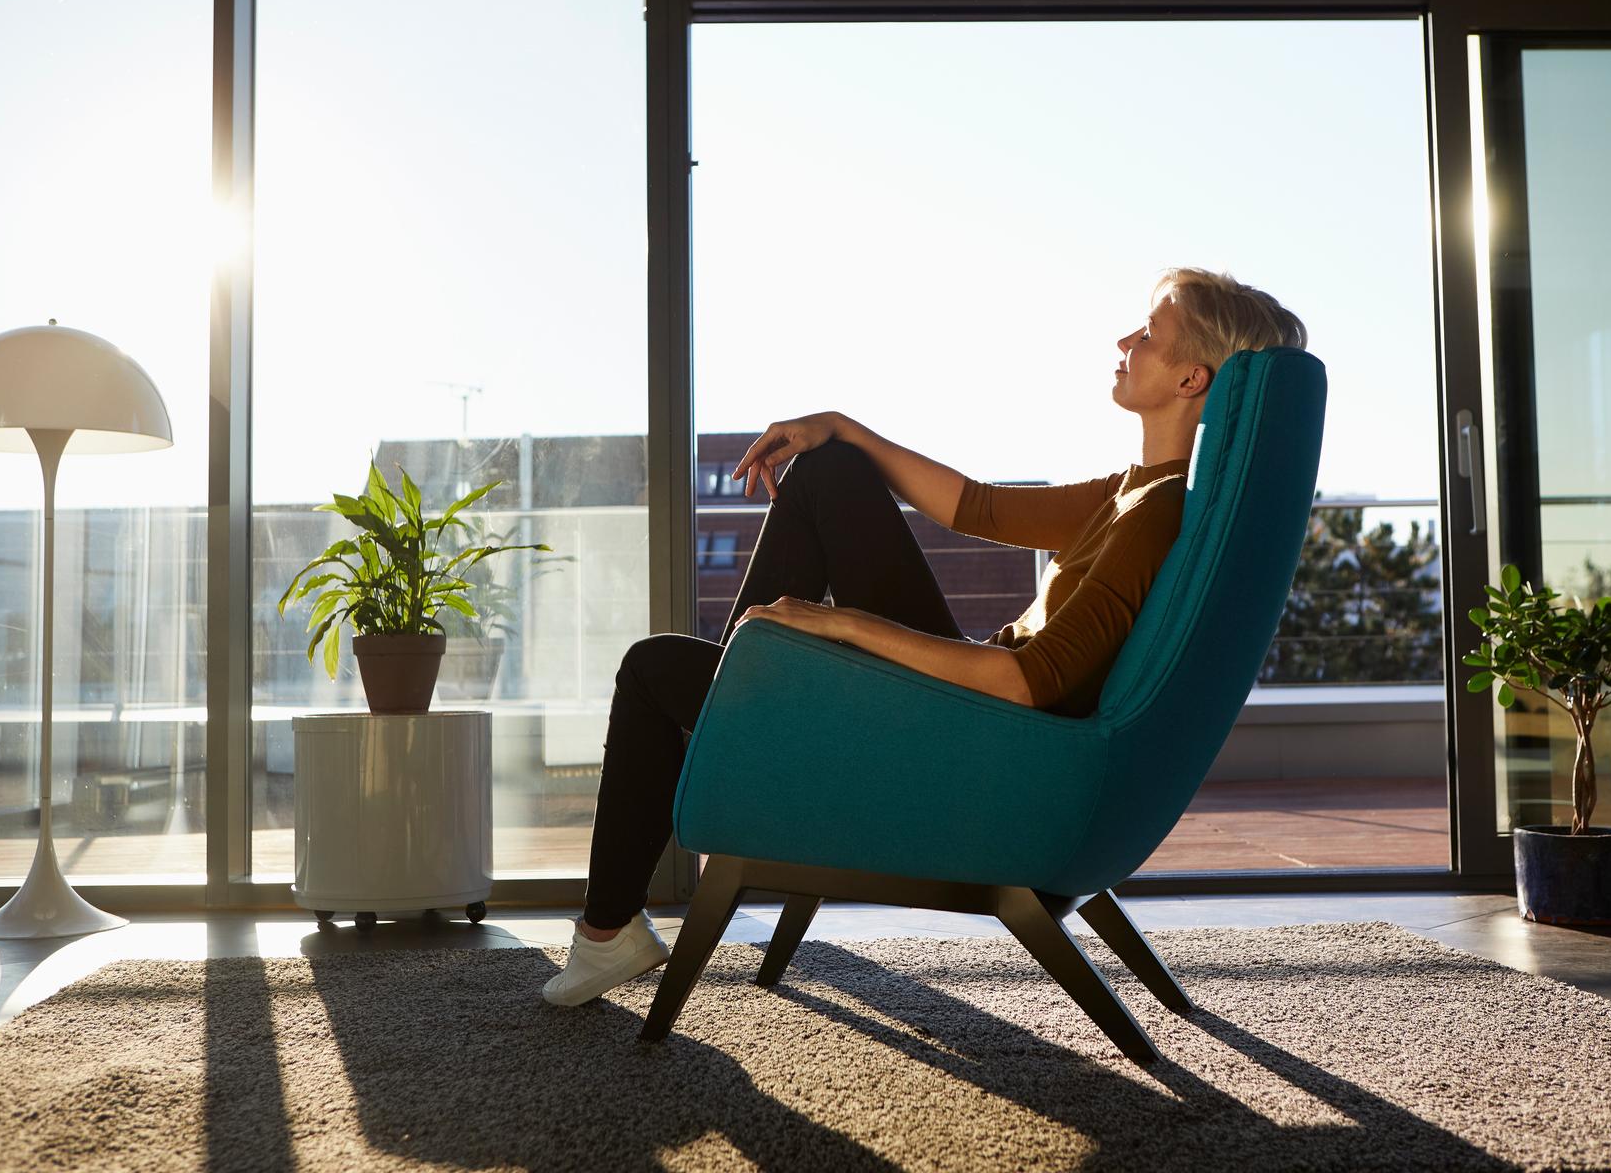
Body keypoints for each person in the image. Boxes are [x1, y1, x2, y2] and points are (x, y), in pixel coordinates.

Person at [540, 266, 1308, 1007]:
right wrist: (840, 427)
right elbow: (975, 508)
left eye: (1148, 331)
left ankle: (621, 907)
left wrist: (841, 622)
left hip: (984, 739)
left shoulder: (1153, 517)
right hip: (974, 712)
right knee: (830, 471)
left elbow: (1029, 682)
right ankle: (733, 722)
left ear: (1190, 380)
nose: (1123, 340)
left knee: (649, 669)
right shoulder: (1134, 492)